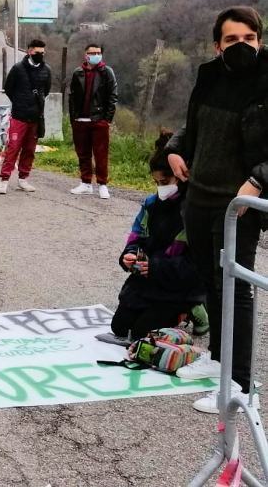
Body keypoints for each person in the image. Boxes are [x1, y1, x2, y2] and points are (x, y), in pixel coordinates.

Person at [167, 6, 268, 414]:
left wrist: (259, 180)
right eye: (232, 39)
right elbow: (193, 127)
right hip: (200, 196)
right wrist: (175, 150)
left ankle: (240, 384)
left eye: (249, 38)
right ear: (217, 45)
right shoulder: (208, 76)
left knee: (235, 288)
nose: (241, 46)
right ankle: (217, 361)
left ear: (259, 40)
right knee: (210, 280)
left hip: (238, 205)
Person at [111, 130, 205, 340]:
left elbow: (196, 265)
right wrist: (129, 255)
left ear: (182, 174)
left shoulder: (194, 212)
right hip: (149, 278)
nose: (161, 188)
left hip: (178, 282)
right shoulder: (151, 204)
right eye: (157, 183)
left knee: (142, 333)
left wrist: (155, 267)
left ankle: (193, 307)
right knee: (120, 327)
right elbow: (137, 236)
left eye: (165, 182)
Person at [0, 38, 51, 195]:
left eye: (42, 52)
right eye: (37, 52)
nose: (40, 54)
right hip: (19, 116)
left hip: (35, 117)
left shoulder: (46, 70)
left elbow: (45, 91)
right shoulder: (18, 68)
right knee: (13, 148)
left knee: (29, 150)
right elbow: (8, 88)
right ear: (29, 51)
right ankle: (4, 179)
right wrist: (20, 101)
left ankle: (23, 179)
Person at [68, 43, 118, 199]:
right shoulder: (78, 73)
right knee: (83, 153)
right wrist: (73, 119)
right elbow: (72, 97)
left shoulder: (107, 72)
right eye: (92, 52)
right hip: (80, 120)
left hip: (99, 120)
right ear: (86, 55)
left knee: (101, 154)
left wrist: (106, 120)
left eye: (98, 52)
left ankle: (103, 185)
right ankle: (86, 183)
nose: (96, 55)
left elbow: (112, 96)